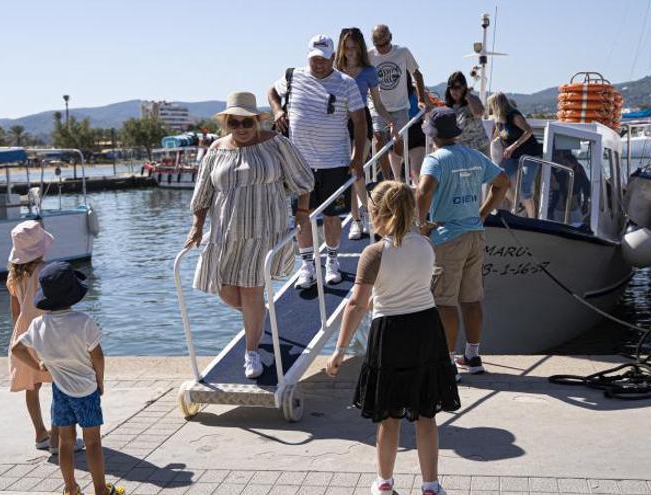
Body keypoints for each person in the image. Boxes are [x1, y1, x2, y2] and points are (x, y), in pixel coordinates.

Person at [326, 181, 460, 495]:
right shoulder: (426, 245)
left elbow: (357, 304)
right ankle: (430, 485)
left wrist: (340, 350)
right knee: (426, 414)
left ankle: (384, 483)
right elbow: (412, 285)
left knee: (388, 416)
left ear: (376, 213)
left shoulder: (373, 254)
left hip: (390, 334)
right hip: (426, 328)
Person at [186, 92, 314, 379]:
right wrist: (196, 226)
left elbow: (303, 178)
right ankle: (257, 316)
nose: (241, 129)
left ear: (257, 121)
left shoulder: (276, 144)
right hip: (225, 232)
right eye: (235, 123)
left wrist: (302, 212)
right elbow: (202, 193)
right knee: (225, 290)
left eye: (247, 122)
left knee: (252, 288)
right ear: (227, 124)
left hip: (264, 230)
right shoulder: (217, 150)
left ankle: (252, 352)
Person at [10, 262, 123, 495]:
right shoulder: (83, 322)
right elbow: (98, 356)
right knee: (92, 442)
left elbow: (17, 349)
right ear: (73, 295)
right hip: (86, 391)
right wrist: (100, 381)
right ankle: (101, 490)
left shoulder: (38, 325)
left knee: (65, 442)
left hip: (60, 391)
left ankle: (71, 489)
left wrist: (39, 365)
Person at [415, 108, 510, 378]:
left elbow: (423, 192)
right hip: (475, 233)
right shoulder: (474, 156)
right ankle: (472, 355)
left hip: (447, 236)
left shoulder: (435, 160)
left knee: (444, 301)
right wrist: (482, 213)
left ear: (432, 135)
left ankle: (446, 362)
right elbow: (503, 182)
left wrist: (420, 227)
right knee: (471, 299)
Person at [268, 34, 367, 288]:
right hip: (299, 164)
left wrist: (357, 158)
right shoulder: (294, 76)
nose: (318, 64)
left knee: (332, 216)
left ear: (333, 58)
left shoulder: (346, 83)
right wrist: (278, 110)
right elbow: (271, 92)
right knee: (302, 215)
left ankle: (332, 261)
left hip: (335, 162)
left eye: (323, 59)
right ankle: (307, 266)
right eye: (314, 59)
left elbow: (359, 121)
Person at [6, 220, 84, 455]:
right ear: (41, 248)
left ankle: (40, 434)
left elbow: (15, 310)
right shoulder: (46, 273)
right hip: (46, 330)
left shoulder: (13, 276)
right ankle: (57, 439)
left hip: (24, 333)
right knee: (59, 384)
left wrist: (19, 335)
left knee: (33, 385)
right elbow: (54, 306)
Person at [336, 27, 396, 240]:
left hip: (362, 123)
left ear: (360, 48)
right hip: (340, 125)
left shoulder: (369, 72)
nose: (350, 52)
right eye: (346, 48)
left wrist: (391, 122)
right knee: (349, 175)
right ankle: (358, 218)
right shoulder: (335, 71)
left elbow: (377, 104)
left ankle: (364, 214)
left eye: (354, 48)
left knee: (356, 170)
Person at [369, 24, 429, 181]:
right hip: (378, 106)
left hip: (400, 106)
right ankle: (388, 179)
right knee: (378, 137)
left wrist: (421, 99)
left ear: (391, 38)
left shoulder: (402, 52)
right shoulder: (369, 56)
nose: (381, 48)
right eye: (378, 45)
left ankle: (399, 173)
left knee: (398, 140)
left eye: (384, 44)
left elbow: (417, 74)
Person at [487, 92, 542, 218]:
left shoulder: (514, 115)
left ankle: (533, 220)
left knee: (524, 188)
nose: (489, 109)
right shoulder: (499, 121)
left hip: (529, 155)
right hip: (513, 157)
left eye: (490, 106)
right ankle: (518, 204)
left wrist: (513, 146)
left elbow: (529, 131)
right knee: (497, 179)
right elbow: (495, 137)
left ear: (496, 105)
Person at [445, 71, 490, 156]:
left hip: (479, 150)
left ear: (464, 87)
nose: (454, 90)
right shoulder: (448, 107)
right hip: (460, 151)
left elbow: (478, 113)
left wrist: (468, 96)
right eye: (451, 87)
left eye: (457, 87)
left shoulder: (474, 99)